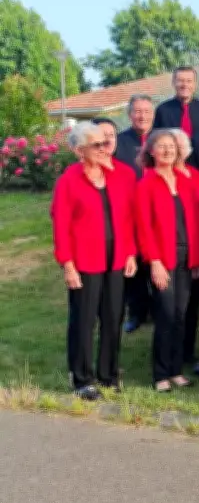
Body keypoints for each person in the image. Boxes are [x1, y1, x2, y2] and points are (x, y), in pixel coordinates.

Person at [51, 121, 137, 400]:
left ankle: (109, 374)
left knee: (113, 318)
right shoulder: (69, 180)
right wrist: (67, 264)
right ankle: (82, 379)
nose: (104, 148)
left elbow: (129, 219)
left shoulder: (123, 175)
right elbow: (61, 225)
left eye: (105, 142)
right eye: (96, 145)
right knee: (84, 321)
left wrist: (131, 252)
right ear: (79, 150)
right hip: (84, 262)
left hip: (116, 260)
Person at [135, 130, 199, 392]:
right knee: (164, 314)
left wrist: (197, 257)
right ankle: (161, 373)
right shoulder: (146, 184)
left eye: (171, 146)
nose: (167, 151)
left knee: (180, 314)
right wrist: (154, 262)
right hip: (163, 257)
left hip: (187, 256)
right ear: (151, 152)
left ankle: (176, 370)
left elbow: (194, 224)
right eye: (161, 146)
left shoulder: (184, 181)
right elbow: (144, 227)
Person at [112, 96, 155, 334]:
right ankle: (137, 311)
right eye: (137, 112)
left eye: (146, 111)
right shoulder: (119, 142)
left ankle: (157, 307)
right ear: (130, 115)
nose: (142, 116)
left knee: (155, 259)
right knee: (133, 262)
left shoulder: (162, 138)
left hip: (157, 210)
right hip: (129, 209)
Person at [171, 129, 199, 369]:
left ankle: (186, 351)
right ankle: (172, 354)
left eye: (179, 145)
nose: (175, 150)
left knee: (192, 305)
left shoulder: (198, 177)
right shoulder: (164, 177)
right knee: (174, 307)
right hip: (174, 249)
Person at [153, 66, 199, 136]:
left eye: (189, 81)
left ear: (195, 84)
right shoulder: (162, 110)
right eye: (180, 81)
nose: (185, 85)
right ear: (173, 83)